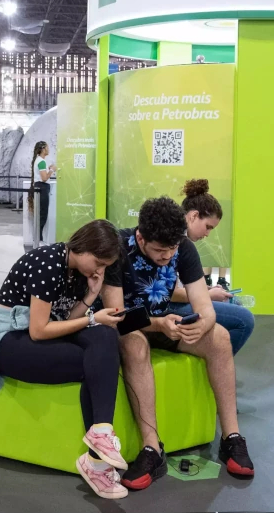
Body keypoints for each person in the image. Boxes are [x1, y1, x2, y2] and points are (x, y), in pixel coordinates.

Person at [99, 196, 254, 489]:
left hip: (164, 322)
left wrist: (202, 326)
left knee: (219, 336)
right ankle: (151, 449)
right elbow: (118, 315)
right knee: (134, 343)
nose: (168, 256)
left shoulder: (184, 248)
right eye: (160, 250)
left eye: (172, 249)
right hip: (129, 326)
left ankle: (231, 437)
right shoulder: (118, 247)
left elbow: (204, 307)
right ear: (141, 237)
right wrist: (159, 324)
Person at [0, 220, 128, 499]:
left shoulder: (78, 271)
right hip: (11, 339)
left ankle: (100, 435)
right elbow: (39, 331)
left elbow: (66, 320)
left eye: (104, 266)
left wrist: (92, 296)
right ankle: (96, 461)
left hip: (40, 334)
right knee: (94, 359)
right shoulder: (49, 263)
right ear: (82, 247)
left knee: (105, 339)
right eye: (97, 262)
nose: (99, 270)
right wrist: (93, 317)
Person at [170, 179, 254, 355]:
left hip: (173, 301)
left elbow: (178, 284)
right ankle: (215, 362)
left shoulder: (183, 242)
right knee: (244, 319)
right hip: (164, 307)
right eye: (207, 227)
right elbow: (166, 293)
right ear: (193, 216)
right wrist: (207, 295)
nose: (207, 234)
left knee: (237, 307)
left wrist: (206, 289)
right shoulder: (174, 241)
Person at [28, 141, 57, 244]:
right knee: (42, 214)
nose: (49, 149)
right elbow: (44, 178)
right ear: (43, 149)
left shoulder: (39, 161)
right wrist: (52, 170)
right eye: (47, 147)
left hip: (40, 187)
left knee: (40, 214)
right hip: (42, 188)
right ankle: (38, 239)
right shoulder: (41, 162)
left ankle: (37, 237)